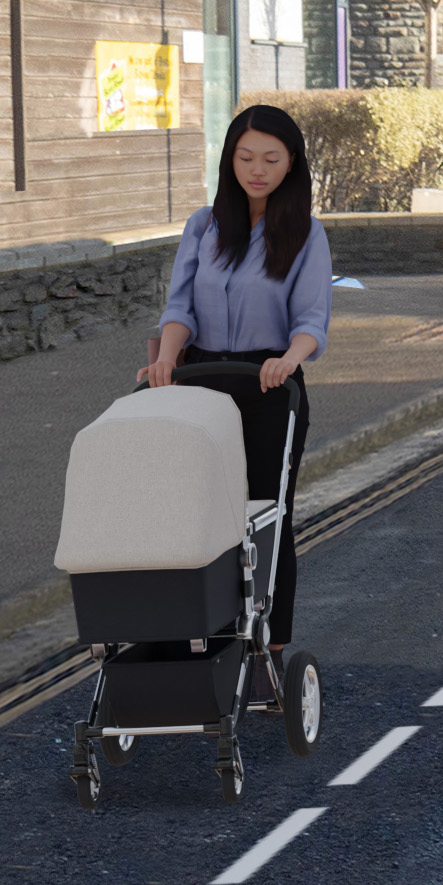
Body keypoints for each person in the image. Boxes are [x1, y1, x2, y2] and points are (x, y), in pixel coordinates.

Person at [142, 103, 334, 653]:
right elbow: (179, 308)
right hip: (202, 381)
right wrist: (166, 359)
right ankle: (207, 629)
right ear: (229, 160)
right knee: (200, 509)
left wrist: (289, 360)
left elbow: (311, 321)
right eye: (245, 157)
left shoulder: (306, 234)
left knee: (265, 512)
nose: (257, 169)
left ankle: (269, 644)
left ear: (291, 163)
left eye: (271, 159)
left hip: (271, 385)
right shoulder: (203, 227)